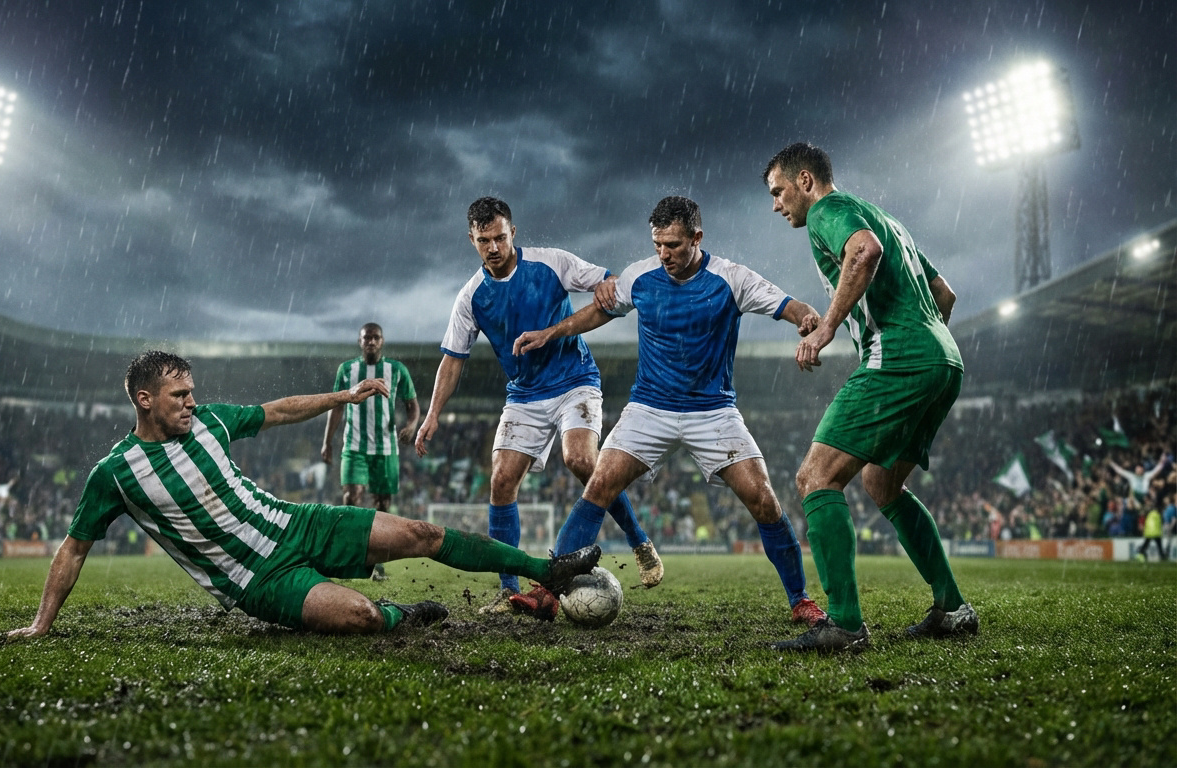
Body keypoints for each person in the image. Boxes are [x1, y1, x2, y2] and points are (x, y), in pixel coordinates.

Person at [5, 351, 600, 639]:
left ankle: (547, 569)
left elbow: (277, 411)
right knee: (363, 616)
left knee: (422, 533)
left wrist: (338, 400)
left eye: (192, 392)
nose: (192, 402)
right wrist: (40, 625)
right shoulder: (115, 474)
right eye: (180, 395)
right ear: (144, 400)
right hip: (257, 581)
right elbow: (74, 549)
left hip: (296, 523)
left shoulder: (211, 421)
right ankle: (401, 616)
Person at [513, 195, 829, 627]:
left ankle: (800, 601)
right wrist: (552, 332)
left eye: (674, 246)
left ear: (697, 238)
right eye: (658, 244)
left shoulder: (731, 278)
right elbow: (599, 311)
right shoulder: (641, 276)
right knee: (599, 483)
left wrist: (808, 321)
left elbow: (791, 307)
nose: (664, 255)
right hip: (649, 409)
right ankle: (547, 595)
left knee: (763, 498)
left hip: (713, 412)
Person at [764, 141, 976, 652]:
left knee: (815, 478)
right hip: (944, 358)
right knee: (882, 484)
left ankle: (844, 623)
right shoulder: (885, 218)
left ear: (806, 181)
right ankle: (952, 607)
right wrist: (921, 350)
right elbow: (944, 292)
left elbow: (863, 252)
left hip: (902, 356)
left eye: (778, 191)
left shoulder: (828, 212)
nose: (776, 205)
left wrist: (826, 329)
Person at [415, 196, 660, 614]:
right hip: (524, 396)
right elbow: (452, 360)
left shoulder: (551, 264)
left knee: (582, 460)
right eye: (483, 240)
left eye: (500, 237)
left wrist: (605, 283)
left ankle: (640, 541)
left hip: (574, 382)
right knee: (501, 481)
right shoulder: (471, 297)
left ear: (513, 232)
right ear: (471, 240)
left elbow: (609, 283)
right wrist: (433, 413)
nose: (493, 247)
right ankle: (509, 589)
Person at [322, 322, 420, 580]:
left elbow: (412, 405)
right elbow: (336, 407)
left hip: (386, 449)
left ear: (382, 341)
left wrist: (412, 425)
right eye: (367, 338)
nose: (371, 342)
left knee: (382, 505)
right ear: (359, 341)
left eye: (375, 337)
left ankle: (377, 564)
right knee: (352, 499)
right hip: (354, 446)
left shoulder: (396, 370)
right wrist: (327, 441)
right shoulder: (347, 370)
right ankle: (349, 556)